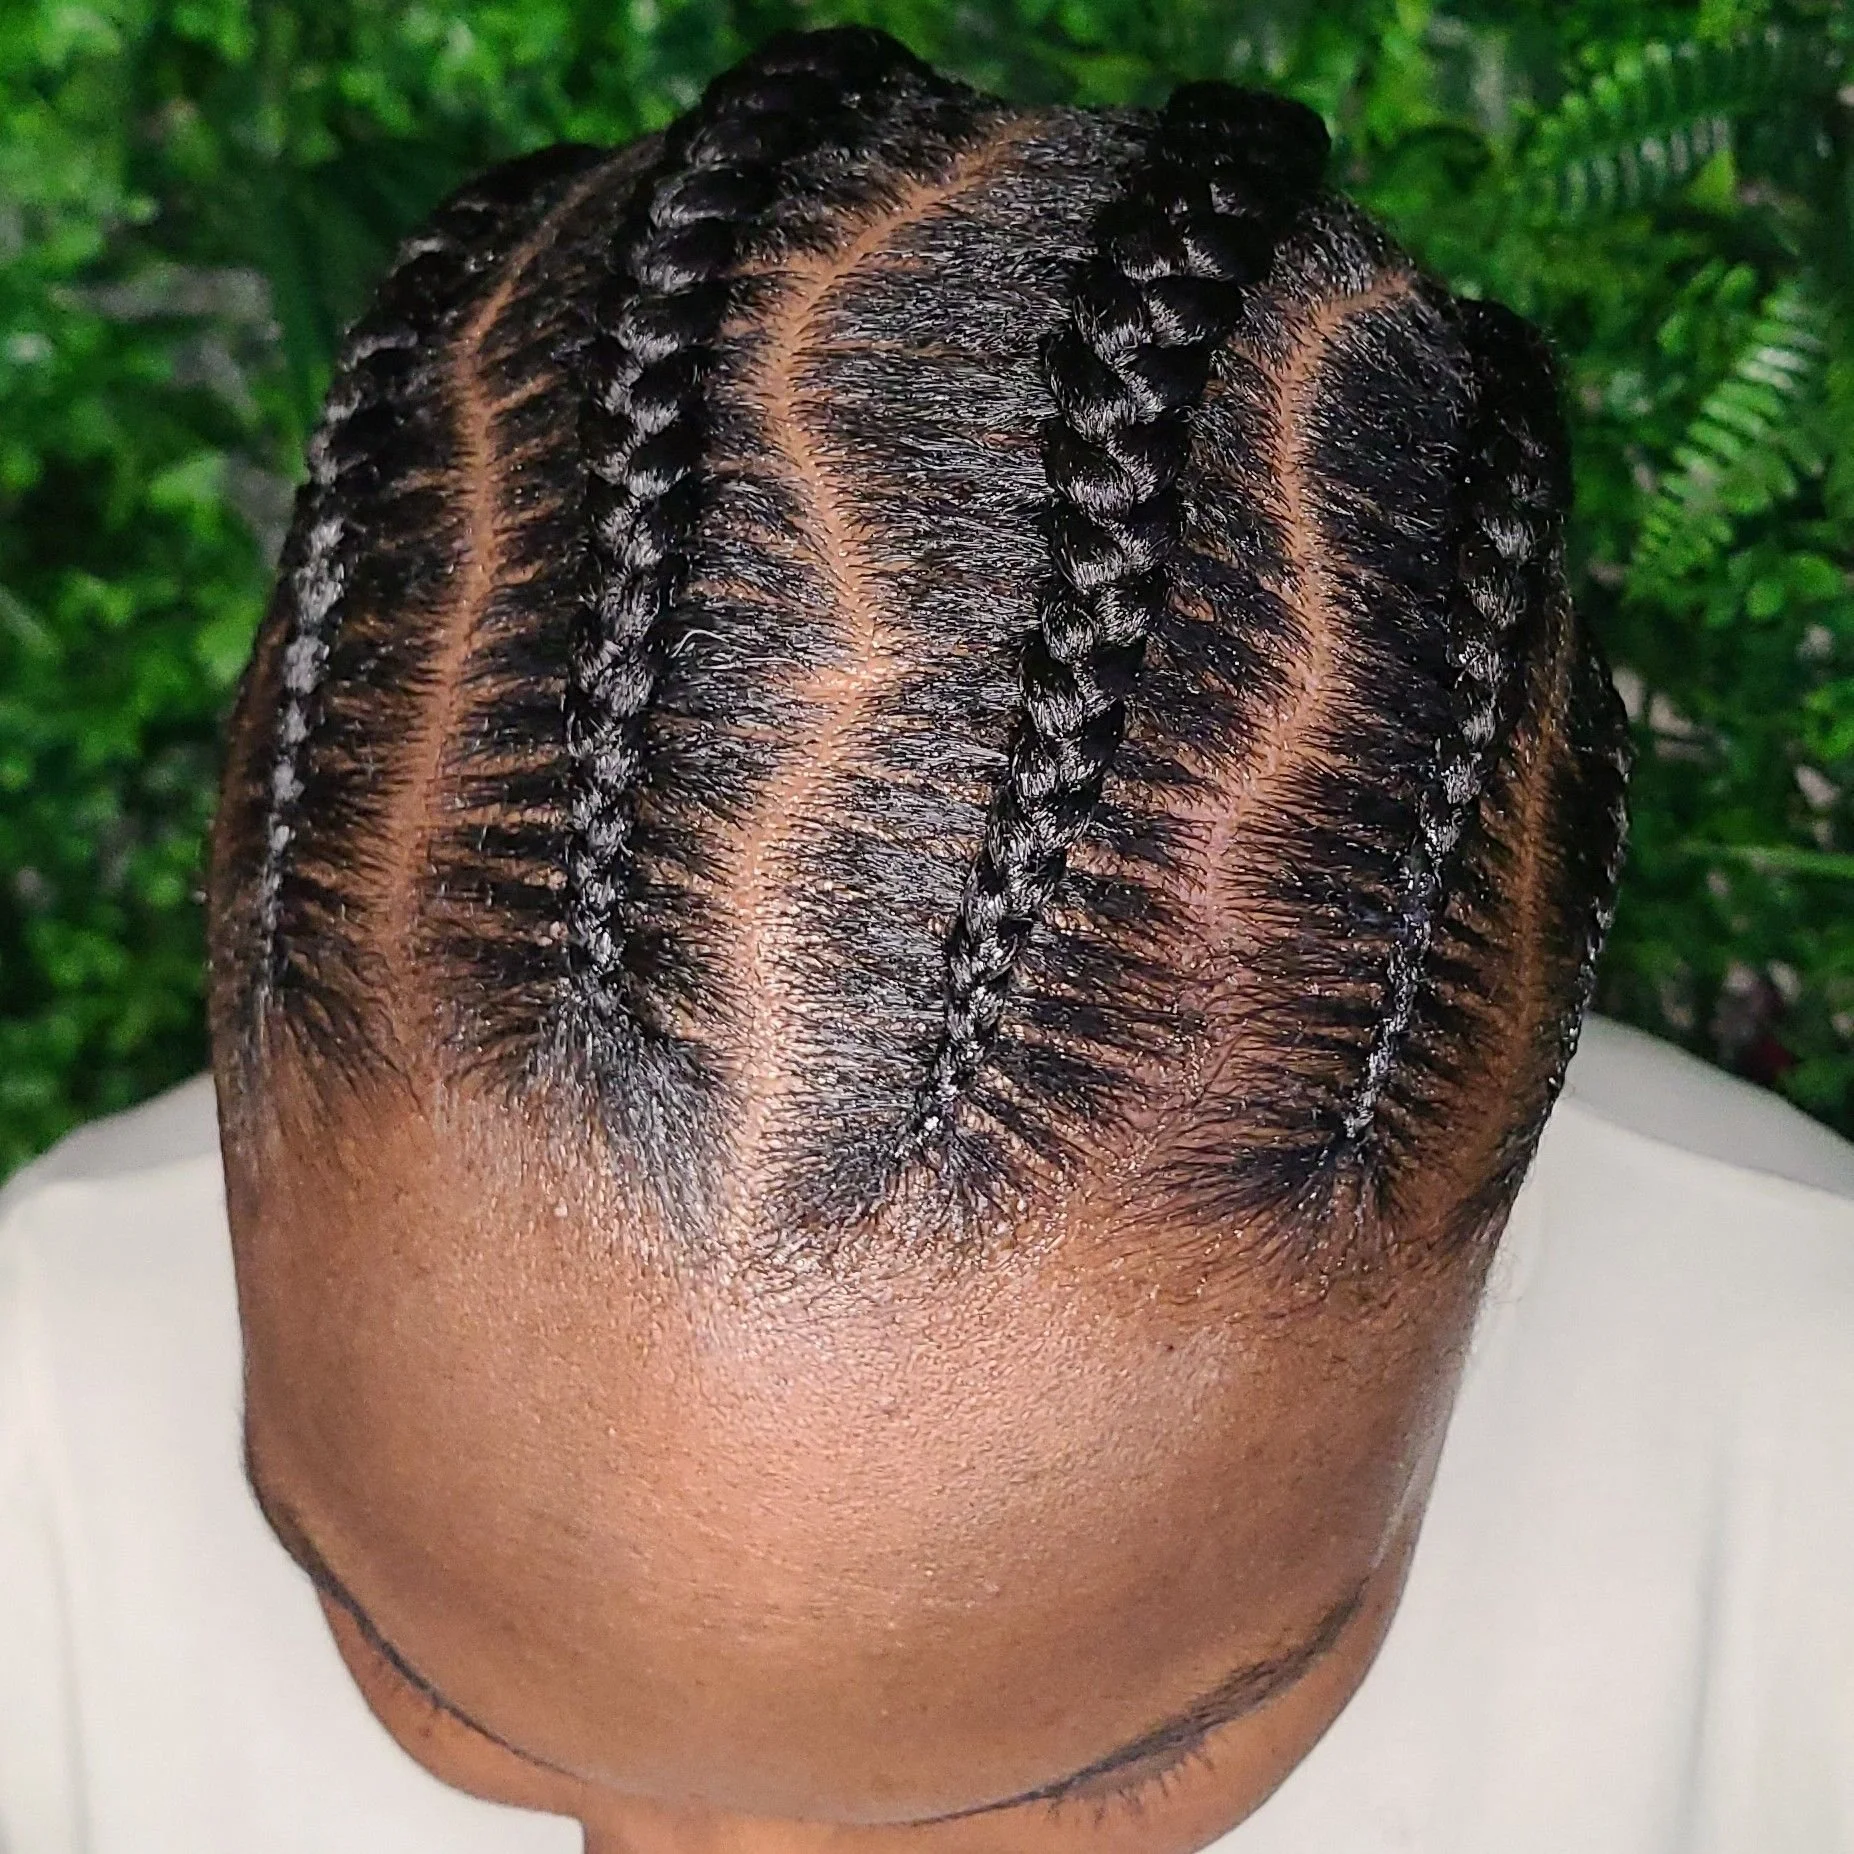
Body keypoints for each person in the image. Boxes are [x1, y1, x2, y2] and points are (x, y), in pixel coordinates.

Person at [2, 25, 1851, 1854]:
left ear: (1498, 1180)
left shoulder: (1806, 1451)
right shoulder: (39, 1434)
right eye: (432, 1683)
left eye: (1093, 1776)